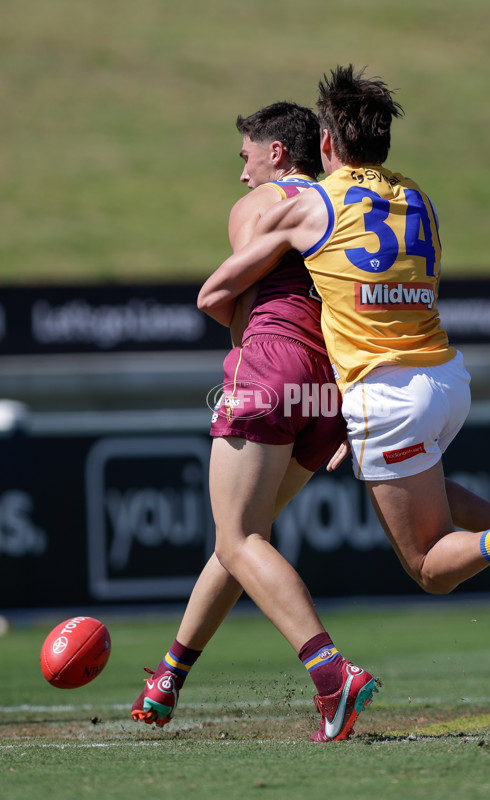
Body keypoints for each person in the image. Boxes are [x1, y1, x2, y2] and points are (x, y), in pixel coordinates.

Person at [198, 64, 490, 624]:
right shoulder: (419, 198)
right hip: (446, 378)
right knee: (422, 484)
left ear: (327, 141)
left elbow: (214, 291)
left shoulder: (313, 204)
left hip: (386, 391)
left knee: (428, 566)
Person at [131, 101, 371, 742]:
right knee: (242, 540)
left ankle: (331, 675)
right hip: (328, 385)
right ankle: (169, 677)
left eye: (246, 157)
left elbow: (226, 298)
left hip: (271, 363)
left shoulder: (260, 207)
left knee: (239, 540)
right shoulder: (337, 205)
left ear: (277, 153)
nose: (241, 176)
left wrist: (252, 355)